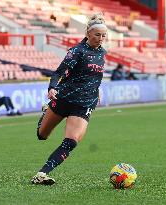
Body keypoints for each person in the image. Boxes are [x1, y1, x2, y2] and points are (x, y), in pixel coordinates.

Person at [31, 13, 107, 185]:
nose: (101, 38)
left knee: (71, 142)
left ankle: (42, 174)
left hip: (85, 103)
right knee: (42, 135)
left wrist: (97, 90)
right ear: (88, 33)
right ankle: (46, 111)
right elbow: (58, 72)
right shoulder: (77, 52)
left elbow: (95, 76)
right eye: (97, 35)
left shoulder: (103, 53)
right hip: (65, 98)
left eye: (103, 35)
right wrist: (51, 88)